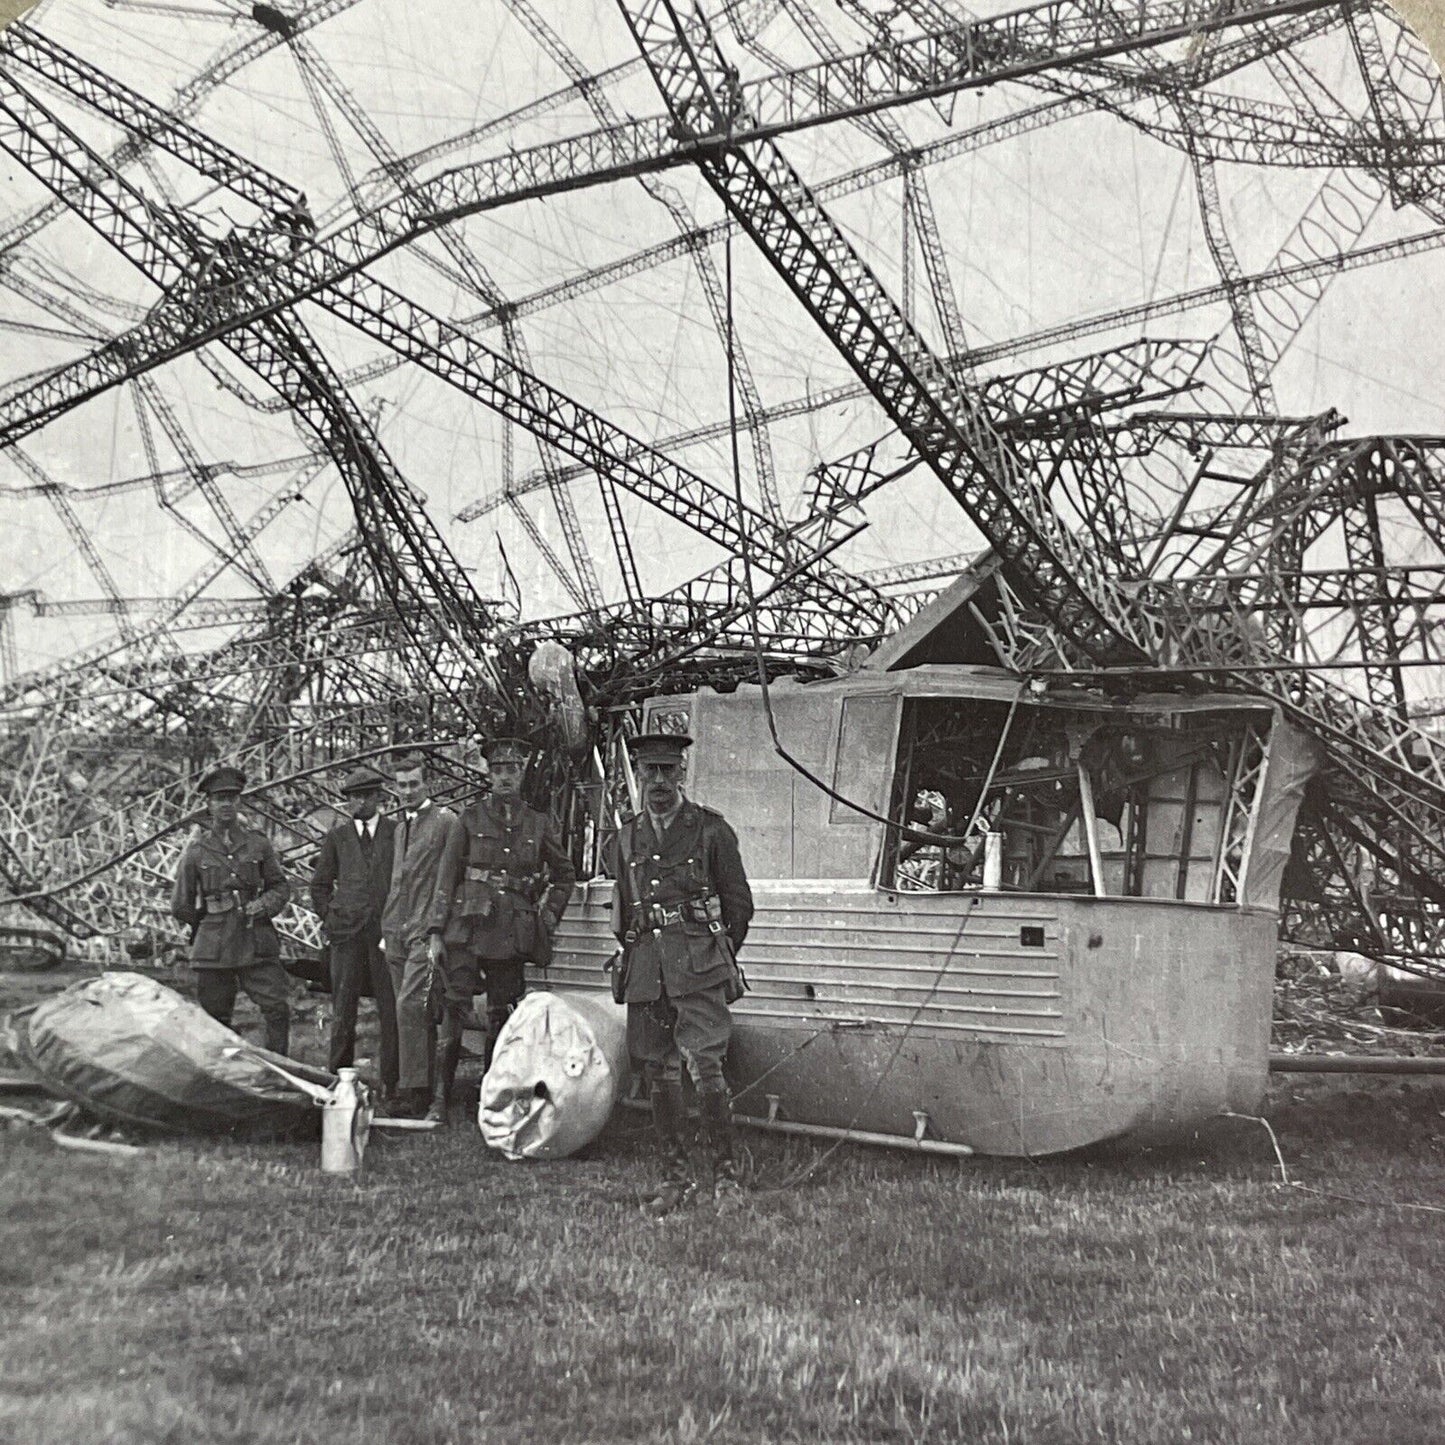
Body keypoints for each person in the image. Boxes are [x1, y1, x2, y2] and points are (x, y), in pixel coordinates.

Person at [608, 733, 753, 1215]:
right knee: (658, 1072)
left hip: (697, 969)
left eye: (668, 771)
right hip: (647, 970)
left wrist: (715, 952)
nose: (658, 783)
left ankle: (725, 1179)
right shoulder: (626, 838)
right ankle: (675, 1179)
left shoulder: (711, 831)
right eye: (649, 772)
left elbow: (739, 906)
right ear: (639, 777)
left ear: (682, 773)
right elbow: (624, 909)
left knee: (706, 1069)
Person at [435, 737, 576, 1125]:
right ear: (489, 774)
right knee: (454, 1007)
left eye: (511, 771)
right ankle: (439, 1099)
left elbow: (565, 875)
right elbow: (446, 878)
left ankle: (490, 1095)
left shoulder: (538, 822)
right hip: (467, 925)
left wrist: (546, 919)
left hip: (511, 930)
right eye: (497, 771)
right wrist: (435, 929)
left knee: (502, 1014)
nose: (504, 778)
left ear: (522, 773)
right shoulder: (469, 819)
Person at [171, 764, 293, 1055]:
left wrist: (263, 905)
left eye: (232, 797)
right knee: (215, 1019)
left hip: (255, 941)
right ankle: (224, 1079)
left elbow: (280, 886)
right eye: (219, 798)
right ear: (209, 804)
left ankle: (280, 1071)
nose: (226, 804)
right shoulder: (197, 851)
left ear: (240, 802)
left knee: (277, 1010)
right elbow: (181, 904)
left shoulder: (258, 843)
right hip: (214, 949)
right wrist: (209, 919)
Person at [309, 764, 398, 1102]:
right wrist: (332, 920)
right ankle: (337, 1084)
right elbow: (318, 886)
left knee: (389, 1009)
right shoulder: (338, 838)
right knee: (343, 1009)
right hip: (346, 936)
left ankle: (393, 1085)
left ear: (378, 797)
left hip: (384, 935)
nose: (357, 803)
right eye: (351, 797)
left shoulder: (395, 833)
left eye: (363, 796)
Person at [379, 752, 460, 1119]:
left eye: (414, 784)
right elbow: (399, 879)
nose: (407, 791)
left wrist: (436, 930)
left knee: (410, 1006)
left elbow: (447, 880)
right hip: (395, 930)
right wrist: (388, 927)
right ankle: (417, 1086)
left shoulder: (446, 823)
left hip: (425, 931)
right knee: (410, 1012)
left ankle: (416, 1091)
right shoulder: (400, 828)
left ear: (428, 784)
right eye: (401, 785)